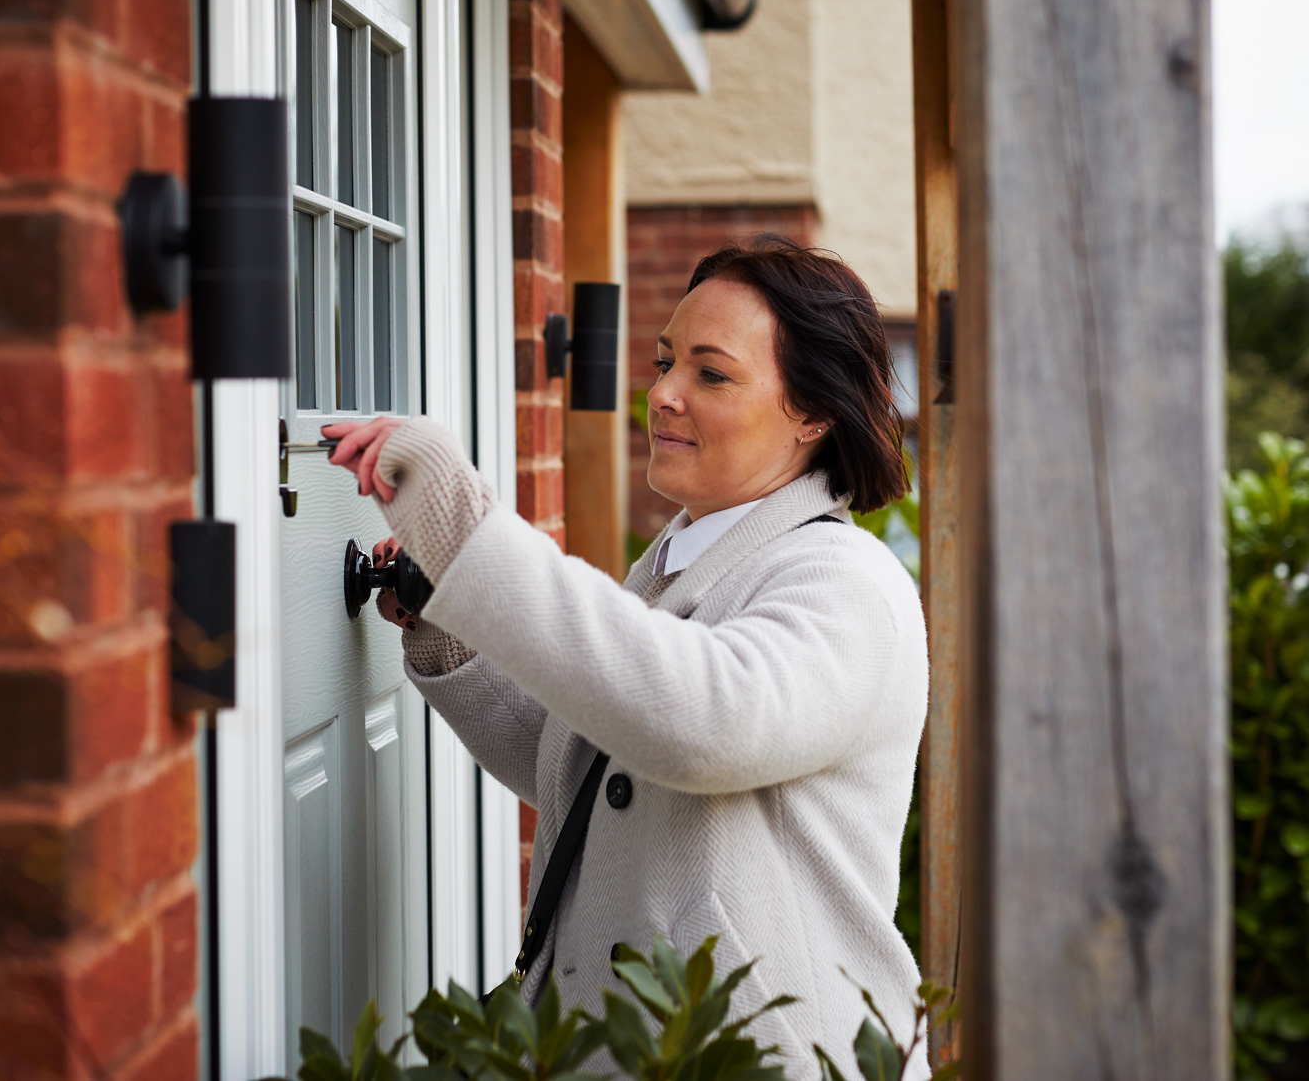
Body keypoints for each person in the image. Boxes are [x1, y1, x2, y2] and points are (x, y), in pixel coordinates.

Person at [322, 234, 927, 1077]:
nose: (664, 394)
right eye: (664, 359)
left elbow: (702, 724)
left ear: (813, 414)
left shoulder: (846, 579)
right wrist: (450, 628)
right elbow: (586, 763)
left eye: (710, 374)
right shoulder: (683, 560)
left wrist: (469, 531)